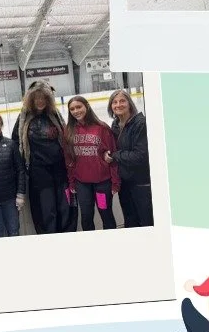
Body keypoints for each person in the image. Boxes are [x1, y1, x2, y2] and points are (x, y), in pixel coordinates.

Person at [13, 82, 75, 234]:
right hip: (39, 173)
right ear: (31, 100)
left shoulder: (55, 116)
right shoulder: (24, 119)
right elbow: (16, 143)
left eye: (43, 98)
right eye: (36, 98)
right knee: (47, 210)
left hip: (60, 170)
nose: (40, 101)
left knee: (64, 207)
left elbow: (67, 138)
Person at [63, 96, 119, 231]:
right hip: (82, 185)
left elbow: (112, 156)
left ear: (86, 106)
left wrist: (115, 181)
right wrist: (71, 182)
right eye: (72, 109)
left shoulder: (102, 128)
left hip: (102, 184)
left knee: (105, 214)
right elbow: (69, 160)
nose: (76, 111)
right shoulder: (69, 131)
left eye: (78, 107)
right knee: (86, 217)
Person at [108, 89, 153, 228]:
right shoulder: (115, 125)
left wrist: (114, 155)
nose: (118, 105)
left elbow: (140, 156)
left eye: (122, 101)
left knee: (146, 221)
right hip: (125, 182)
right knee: (130, 220)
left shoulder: (140, 123)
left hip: (141, 183)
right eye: (114, 102)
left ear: (129, 103)